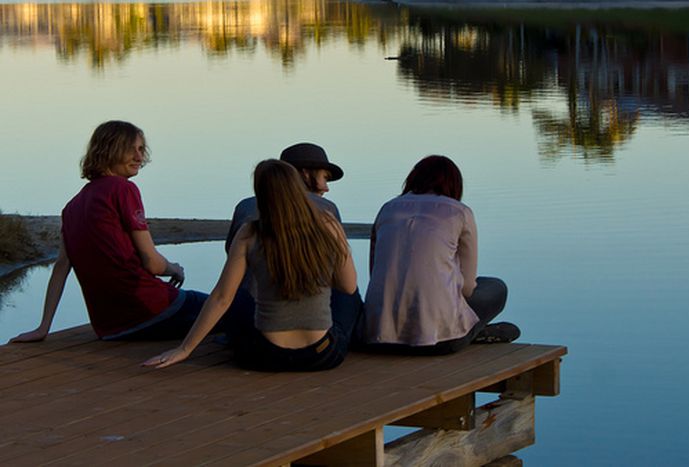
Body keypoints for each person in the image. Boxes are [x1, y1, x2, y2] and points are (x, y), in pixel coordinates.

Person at [9, 121, 250, 343]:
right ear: (109, 150)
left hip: (109, 327)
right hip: (149, 309)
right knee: (241, 309)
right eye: (131, 149)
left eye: (141, 149)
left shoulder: (72, 207)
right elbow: (153, 264)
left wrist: (43, 328)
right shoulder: (123, 190)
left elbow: (61, 267)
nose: (139, 157)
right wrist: (174, 268)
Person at [144, 159, 362, 371]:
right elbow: (348, 287)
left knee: (237, 296)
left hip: (265, 356)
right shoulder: (328, 224)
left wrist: (185, 349)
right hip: (320, 355)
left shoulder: (249, 233)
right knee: (348, 297)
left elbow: (222, 298)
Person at [359, 155, 519, 355]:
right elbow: (468, 288)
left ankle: (469, 328)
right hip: (440, 341)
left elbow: (375, 272)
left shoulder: (387, 209)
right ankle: (472, 332)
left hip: (376, 335)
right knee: (495, 287)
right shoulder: (460, 212)